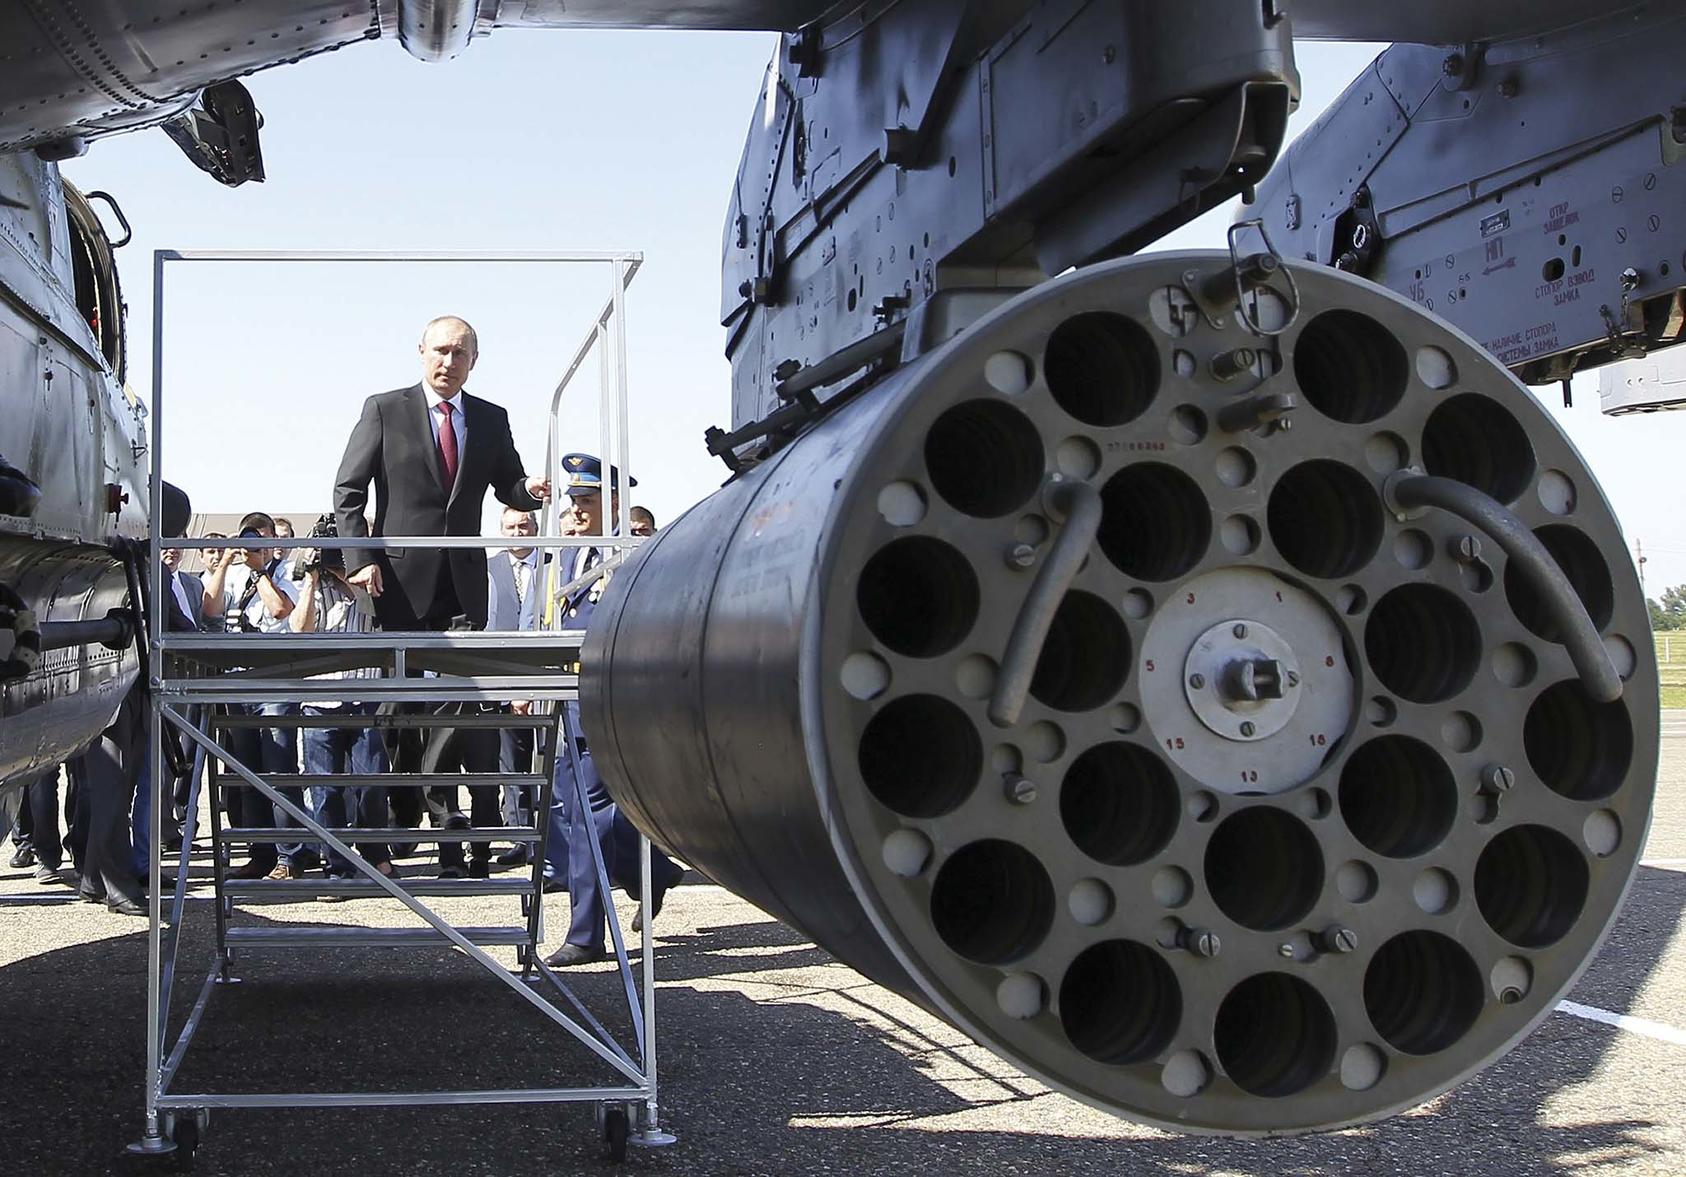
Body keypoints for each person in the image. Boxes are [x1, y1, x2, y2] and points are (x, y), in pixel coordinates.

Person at [545, 454, 682, 967]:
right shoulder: (565, 558)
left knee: (592, 818)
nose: (577, 509)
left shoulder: (632, 557)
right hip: (569, 703)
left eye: (587, 500)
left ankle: (585, 933)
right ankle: (658, 871)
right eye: (574, 500)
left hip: (610, 703)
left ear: (615, 504)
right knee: (575, 809)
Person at [333, 315, 550, 632]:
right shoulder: (385, 410)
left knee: (460, 680)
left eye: (460, 353)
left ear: (474, 360)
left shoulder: (491, 419)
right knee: (401, 680)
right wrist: (360, 559)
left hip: (463, 584)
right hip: (398, 581)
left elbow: (509, 486)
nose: (449, 362)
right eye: (441, 350)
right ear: (422, 351)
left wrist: (530, 489)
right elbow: (348, 490)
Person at [201, 513, 311, 880]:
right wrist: (228, 561)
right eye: (251, 540)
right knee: (245, 773)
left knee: (278, 769)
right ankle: (260, 852)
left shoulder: (283, 572)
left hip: (275, 682)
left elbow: (281, 610)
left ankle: (290, 855)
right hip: (238, 683)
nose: (256, 547)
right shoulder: (232, 571)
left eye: (261, 540)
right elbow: (210, 609)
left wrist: (260, 570)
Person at [289, 515, 393, 889]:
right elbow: (300, 629)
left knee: (371, 782)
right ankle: (337, 864)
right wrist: (313, 579)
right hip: (321, 698)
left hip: (365, 696)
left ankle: (376, 854)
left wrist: (355, 573)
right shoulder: (316, 585)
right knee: (324, 787)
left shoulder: (374, 575)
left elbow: (379, 611)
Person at [487, 507, 543, 868]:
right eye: (510, 527)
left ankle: (555, 838)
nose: (518, 533)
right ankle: (521, 836)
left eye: (525, 526)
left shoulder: (554, 563)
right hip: (504, 683)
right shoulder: (488, 569)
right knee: (512, 765)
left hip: (549, 678)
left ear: (536, 528)